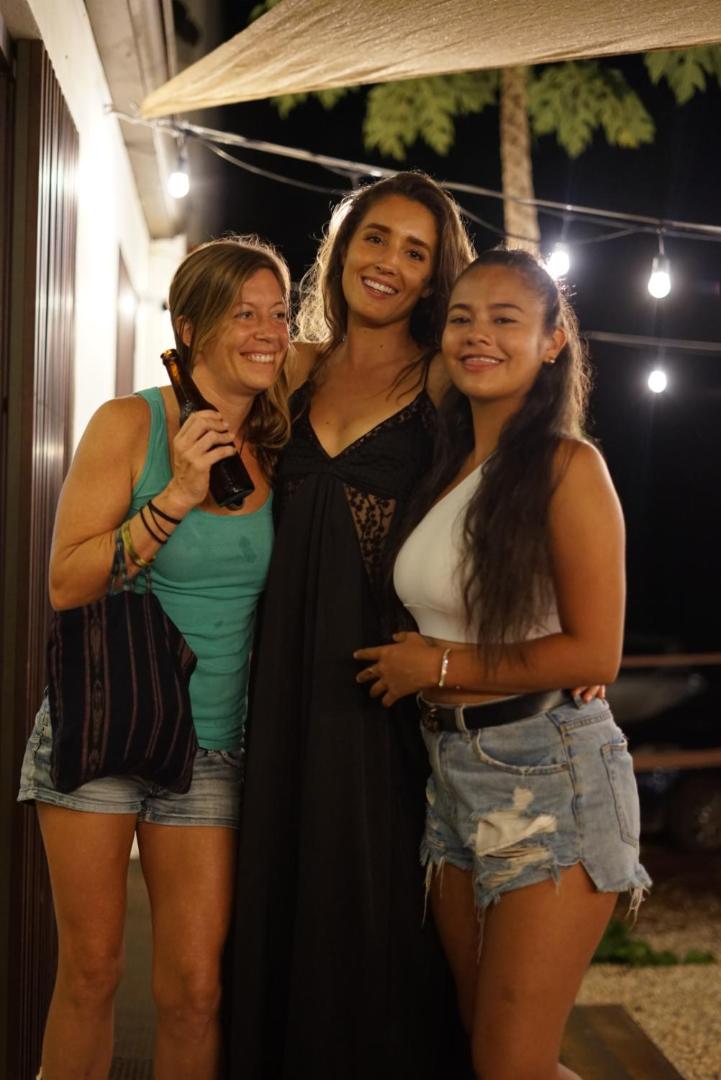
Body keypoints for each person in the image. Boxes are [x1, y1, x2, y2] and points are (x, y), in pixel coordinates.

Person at [354, 248, 652, 1080]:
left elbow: (594, 651)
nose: (477, 334)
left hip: (550, 770)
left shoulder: (567, 466)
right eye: (461, 318)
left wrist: (439, 667)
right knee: (483, 1040)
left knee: (509, 1060)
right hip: (451, 770)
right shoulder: (446, 466)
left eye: (504, 319)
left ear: (552, 342)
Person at [18, 236, 291, 1080]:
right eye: (243, 313)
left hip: (213, 747)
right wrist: (173, 498)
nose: (267, 332)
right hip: (108, 725)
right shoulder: (130, 424)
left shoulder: (281, 443)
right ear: (190, 328)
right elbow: (65, 581)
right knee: (92, 973)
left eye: (278, 314)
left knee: (194, 992)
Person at [227, 172, 476, 1078]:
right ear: (343, 248)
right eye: (376, 238)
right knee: (278, 884)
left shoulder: (444, 376)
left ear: (434, 275)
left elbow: (524, 485)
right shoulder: (293, 367)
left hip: (381, 680)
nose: (388, 263)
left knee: (375, 908)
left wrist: (557, 621)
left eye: (415, 252)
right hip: (276, 670)